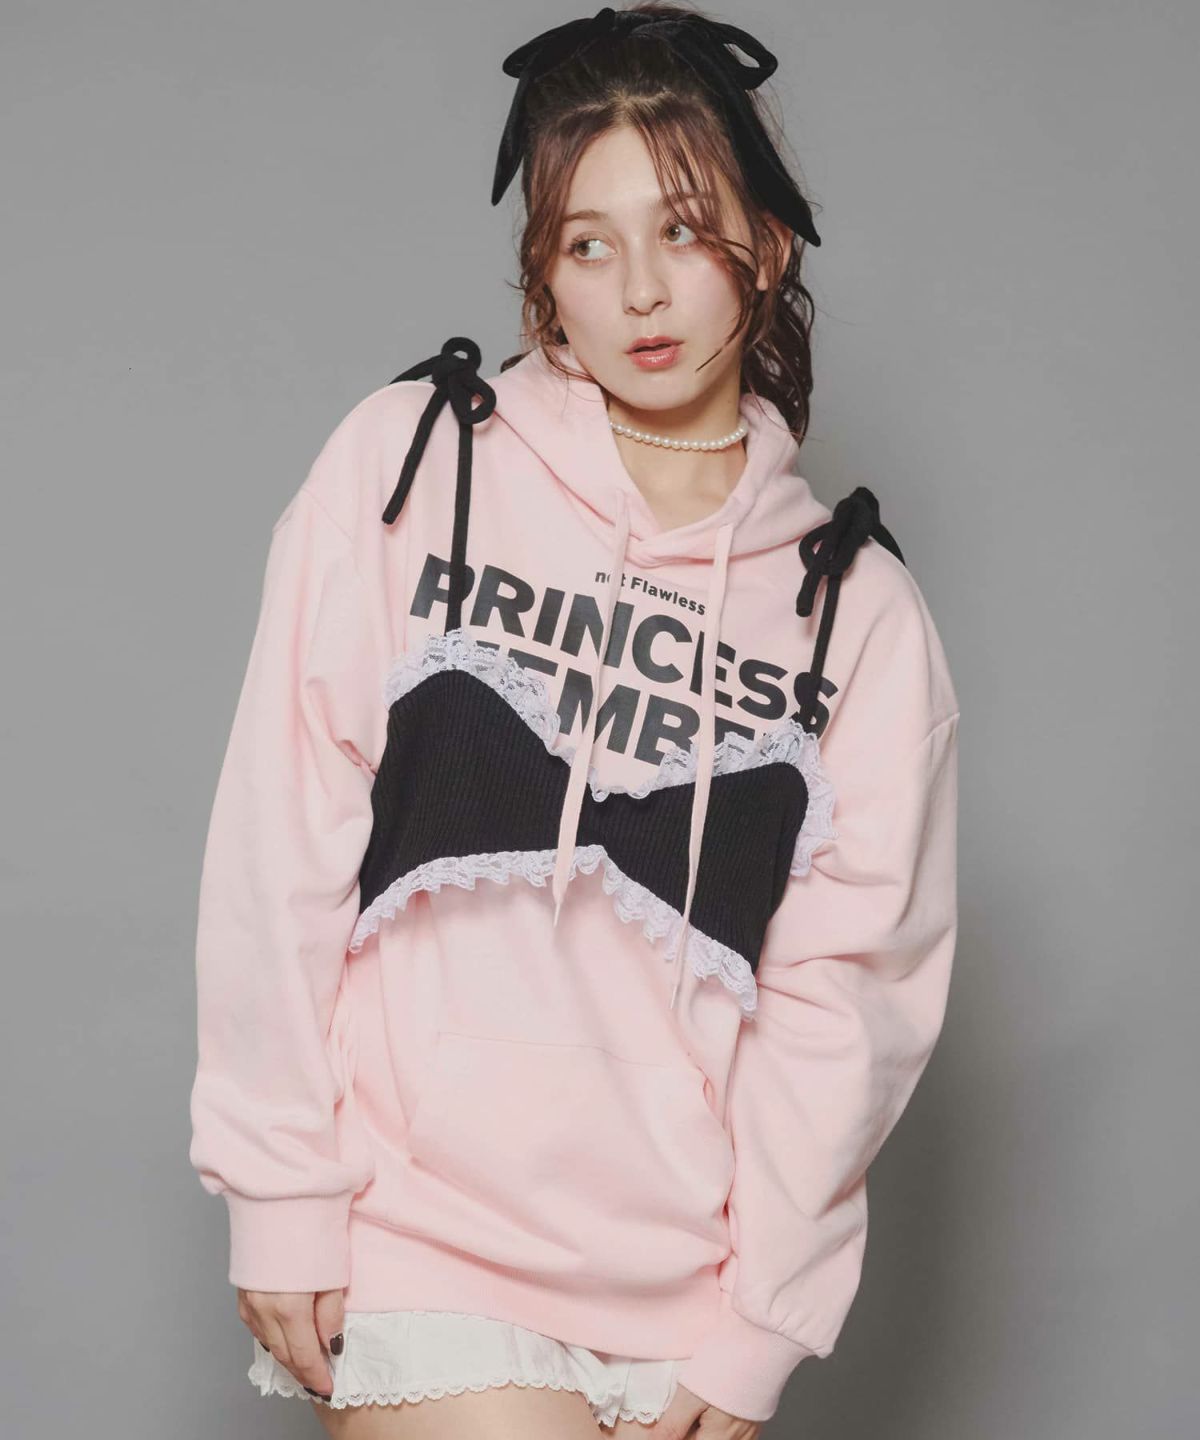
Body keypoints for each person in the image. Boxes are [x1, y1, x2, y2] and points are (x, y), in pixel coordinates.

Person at [187, 4, 961, 1436]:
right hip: (423, 1235)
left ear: (767, 246)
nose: (641, 292)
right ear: (542, 276)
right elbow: (282, 825)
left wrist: (763, 1322)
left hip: (686, 1293)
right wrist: (280, 1182)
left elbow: (849, 1003)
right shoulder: (418, 466)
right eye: (588, 245)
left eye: (684, 232)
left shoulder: (853, 613)